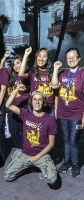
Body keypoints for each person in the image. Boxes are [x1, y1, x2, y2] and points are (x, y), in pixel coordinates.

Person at [4, 87, 57, 186]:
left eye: (40, 99)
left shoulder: (50, 120)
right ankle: (27, 165)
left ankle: (41, 167)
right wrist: (17, 90)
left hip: (41, 155)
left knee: (52, 180)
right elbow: (8, 105)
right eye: (35, 99)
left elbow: (51, 144)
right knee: (7, 176)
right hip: (26, 154)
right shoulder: (25, 113)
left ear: (43, 103)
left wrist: (36, 158)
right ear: (31, 102)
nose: (37, 102)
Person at [51, 48, 84, 177]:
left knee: (73, 140)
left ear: (79, 58)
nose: (71, 59)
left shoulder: (82, 74)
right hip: (62, 113)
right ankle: (66, 162)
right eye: (68, 57)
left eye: (73, 57)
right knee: (65, 140)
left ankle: (75, 164)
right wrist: (55, 69)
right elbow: (54, 88)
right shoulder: (63, 74)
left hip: (76, 114)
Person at [18, 47, 55, 115]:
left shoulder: (53, 72)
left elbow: (56, 92)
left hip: (50, 110)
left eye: (44, 56)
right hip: (35, 108)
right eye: (39, 56)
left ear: (48, 59)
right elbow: (21, 74)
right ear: (36, 57)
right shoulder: (32, 72)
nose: (41, 59)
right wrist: (26, 55)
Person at [6, 55, 30, 148]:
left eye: (18, 63)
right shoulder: (11, 76)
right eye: (14, 64)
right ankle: (19, 148)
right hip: (11, 107)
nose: (15, 66)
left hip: (22, 107)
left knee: (24, 130)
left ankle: (26, 148)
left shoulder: (26, 75)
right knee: (13, 130)